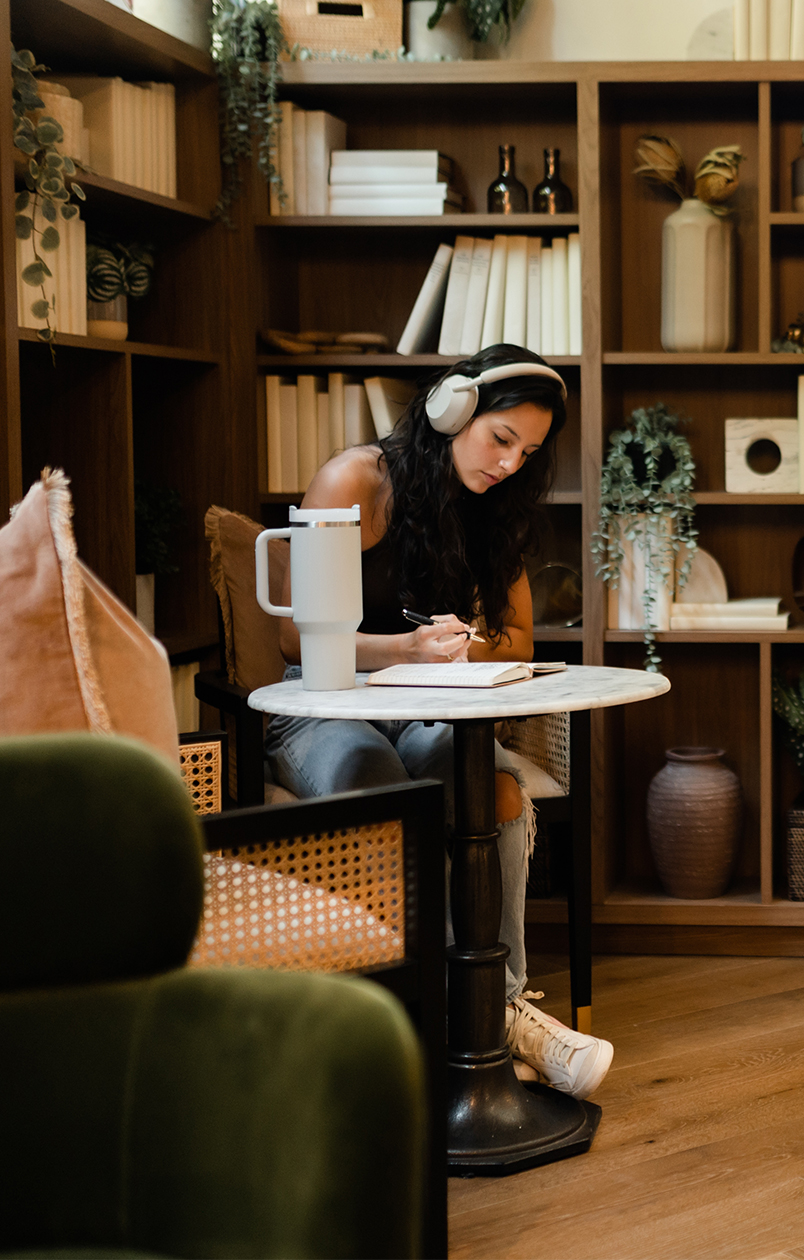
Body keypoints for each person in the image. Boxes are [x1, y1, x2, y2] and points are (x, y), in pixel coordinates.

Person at [265, 344, 613, 1101]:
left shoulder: (495, 509)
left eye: (528, 451)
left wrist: (459, 649)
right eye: (500, 439)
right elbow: (296, 636)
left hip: (426, 706)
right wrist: (405, 647)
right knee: (380, 780)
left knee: (492, 789)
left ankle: (501, 1006)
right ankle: (428, 1018)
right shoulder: (357, 479)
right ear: (451, 412)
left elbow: (518, 639)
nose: (511, 464)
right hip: (327, 706)